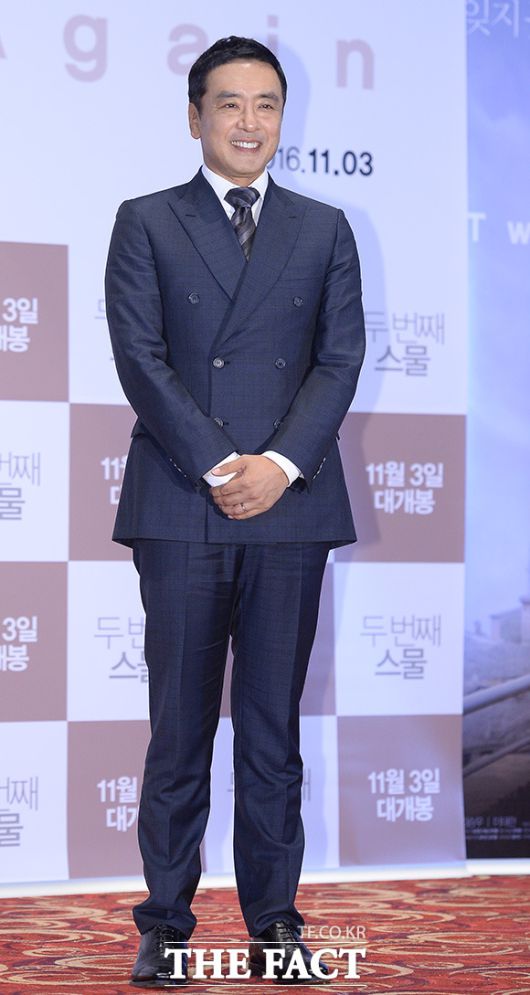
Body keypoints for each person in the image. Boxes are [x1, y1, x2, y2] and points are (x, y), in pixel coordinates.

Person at [105, 35, 365, 987]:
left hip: (289, 508)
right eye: (230, 104)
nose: (250, 123)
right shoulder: (147, 220)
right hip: (184, 499)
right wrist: (223, 463)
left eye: (267, 105)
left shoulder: (324, 227)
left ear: (283, 118)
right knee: (178, 729)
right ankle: (166, 923)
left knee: (270, 731)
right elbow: (141, 357)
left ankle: (276, 922)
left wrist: (280, 465)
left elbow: (340, 358)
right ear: (195, 117)